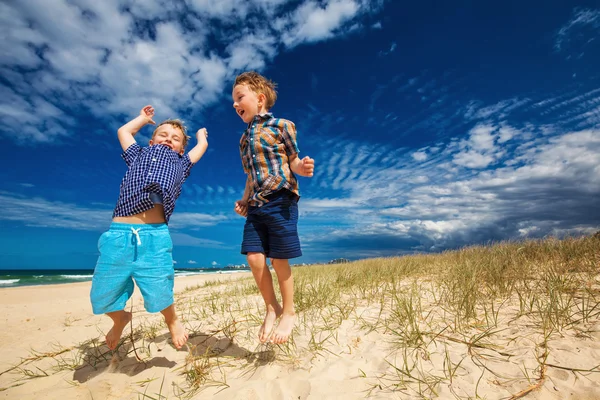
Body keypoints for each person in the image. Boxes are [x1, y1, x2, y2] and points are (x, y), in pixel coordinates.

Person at [90, 105, 208, 350]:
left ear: (181, 148)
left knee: (159, 289)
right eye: (163, 135)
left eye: (176, 139)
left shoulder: (181, 164)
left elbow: (200, 150)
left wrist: (201, 138)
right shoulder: (138, 155)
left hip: (155, 236)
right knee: (102, 293)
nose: (169, 139)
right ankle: (120, 318)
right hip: (118, 235)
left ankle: (172, 319)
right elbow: (124, 132)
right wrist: (143, 119)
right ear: (152, 141)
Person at [232, 72, 315, 344]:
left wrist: (301, 168)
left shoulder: (282, 125)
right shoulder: (243, 140)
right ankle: (272, 307)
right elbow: (249, 175)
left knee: (279, 259)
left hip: (281, 199)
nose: (235, 104)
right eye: (233, 101)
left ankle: (289, 311)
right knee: (255, 258)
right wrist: (244, 200)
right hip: (256, 206)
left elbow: (292, 160)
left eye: (239, 97)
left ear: (260, 98)